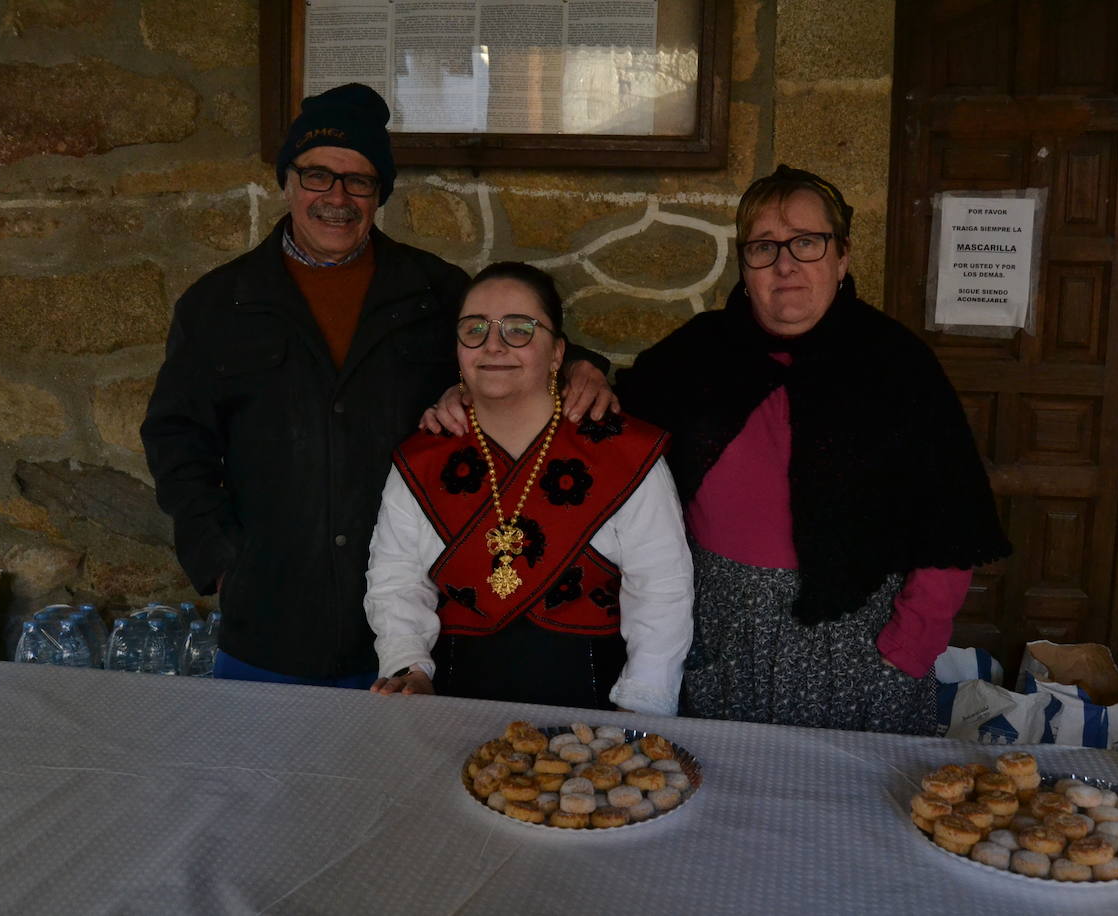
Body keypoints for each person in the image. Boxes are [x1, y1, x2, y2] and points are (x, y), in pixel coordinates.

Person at [140, 84, 614, 687]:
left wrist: (582, 366)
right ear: (286, 183)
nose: (336, 198)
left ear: (379, 194)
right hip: (270, 622)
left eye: (358, 181)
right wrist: (222, 560)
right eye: (317, 176)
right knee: (259, 778)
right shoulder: (218, 304)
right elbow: (175, 437)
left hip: (412, 624)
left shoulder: (433, 291)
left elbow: (515, 339)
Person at [610, 165, 1013, 733]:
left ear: (842, 257)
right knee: (723, 804)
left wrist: (906, 650)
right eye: (764, 247)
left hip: (858, 645)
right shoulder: (696, 355)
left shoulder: (897, 366)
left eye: (807, 242)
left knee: (848, 812)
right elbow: (609, 427)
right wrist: (574, 369)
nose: (785, 264)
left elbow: (949, 520)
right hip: (720, 636)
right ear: (744, 265)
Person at [365, 263, 693, 714]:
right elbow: (396, 580)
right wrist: (409, 668)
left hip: (593, 700)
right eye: (474, 328)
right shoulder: (422, 460)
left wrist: (642, 701)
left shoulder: (622, 452)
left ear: (558, 353)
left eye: (519, 329)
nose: (493, 344)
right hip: (453, 700)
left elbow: (661, 587)